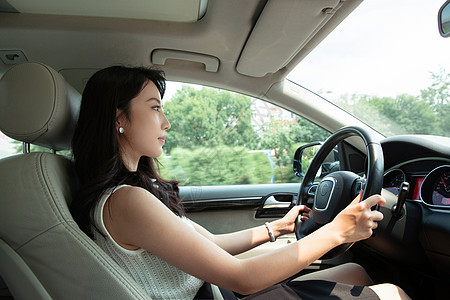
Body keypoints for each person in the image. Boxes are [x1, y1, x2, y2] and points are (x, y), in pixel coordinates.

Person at [70, 66, 410, 300]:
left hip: (217, 293)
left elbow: (213, 244)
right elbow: (240, 277)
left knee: (352, 271)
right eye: (155, 108)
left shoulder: (135, 193)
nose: (167, 122)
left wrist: (275, 228)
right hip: (220, 293)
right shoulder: (126, 201)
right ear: (119, 120)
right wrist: (339, 230)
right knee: (392, 293)